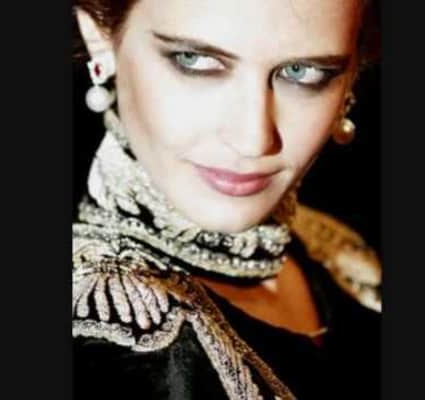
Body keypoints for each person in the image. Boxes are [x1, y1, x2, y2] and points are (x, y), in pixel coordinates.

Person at [72, 0, 381, 398]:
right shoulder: (100, 344)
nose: (253, 140)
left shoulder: (338, 254)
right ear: (99, 37)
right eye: (195, 60)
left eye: (302, 72)